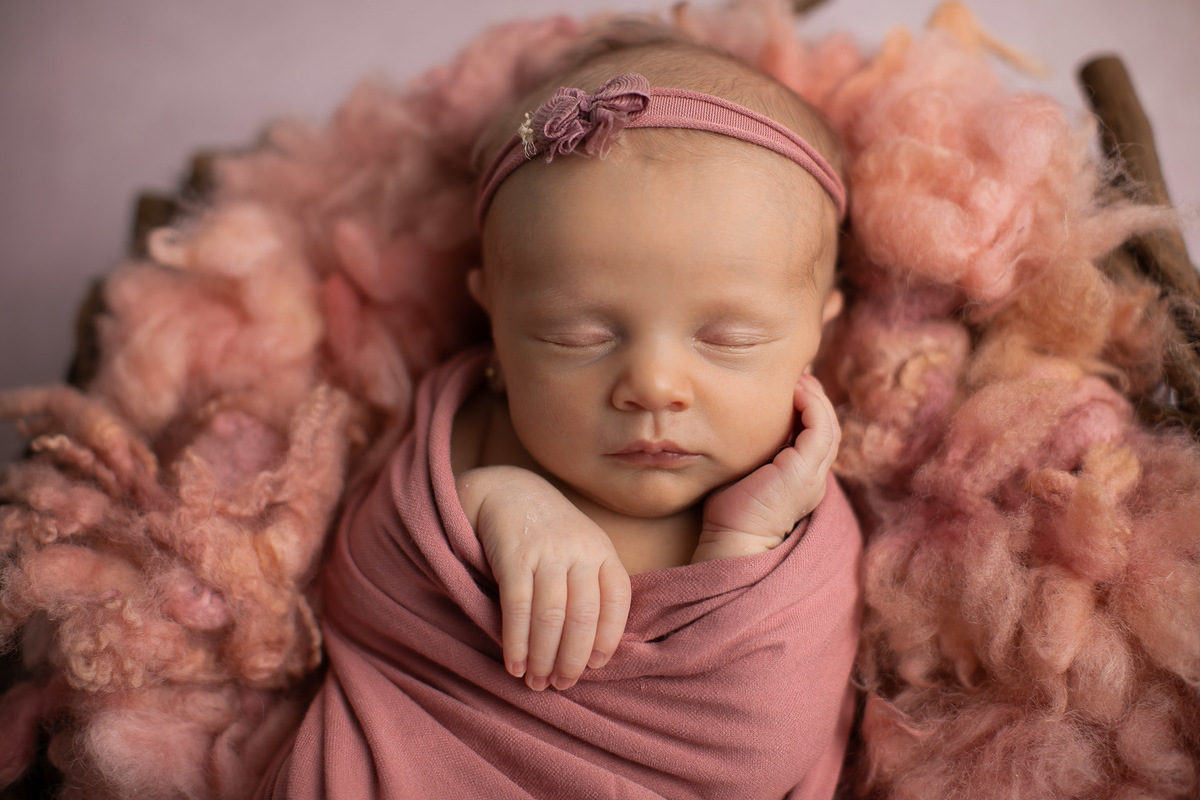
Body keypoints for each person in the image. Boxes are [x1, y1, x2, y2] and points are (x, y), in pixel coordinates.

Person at [258, 24, 861, 800]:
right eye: (577, 335)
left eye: (728, 338)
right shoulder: (477, 431)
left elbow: (763, 744)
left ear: (817, 333)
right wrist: (499, 497)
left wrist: (740, 539)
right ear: (498, 330)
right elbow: (357, 592)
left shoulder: (796, 516)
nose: (653, 385)